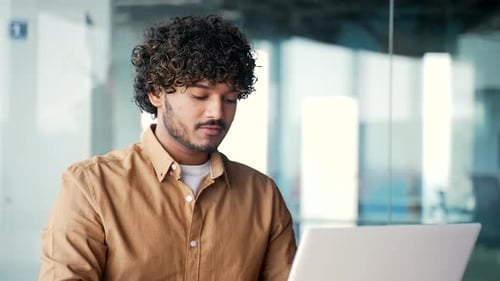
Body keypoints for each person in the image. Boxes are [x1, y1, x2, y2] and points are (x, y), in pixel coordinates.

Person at [38, 15, 297, 281]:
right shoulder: (92, 186)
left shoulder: (263, 196)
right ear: (156, 93)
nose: (217, 111)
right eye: (200, 95)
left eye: (230, 99)